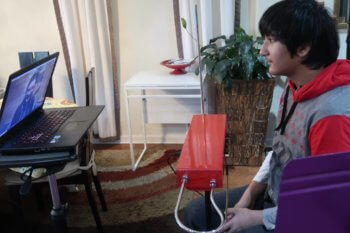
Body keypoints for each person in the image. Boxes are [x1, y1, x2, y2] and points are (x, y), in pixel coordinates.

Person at [184, 0, 350, 232]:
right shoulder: (295, 86)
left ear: (302, 48)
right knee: (196, 214)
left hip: (306, 214)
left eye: (271, 40)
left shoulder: (331, 115)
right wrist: (250, 195)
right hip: (278, 195)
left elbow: (328, 204)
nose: (262, 50)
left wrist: (254, 217)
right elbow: (279, 151)